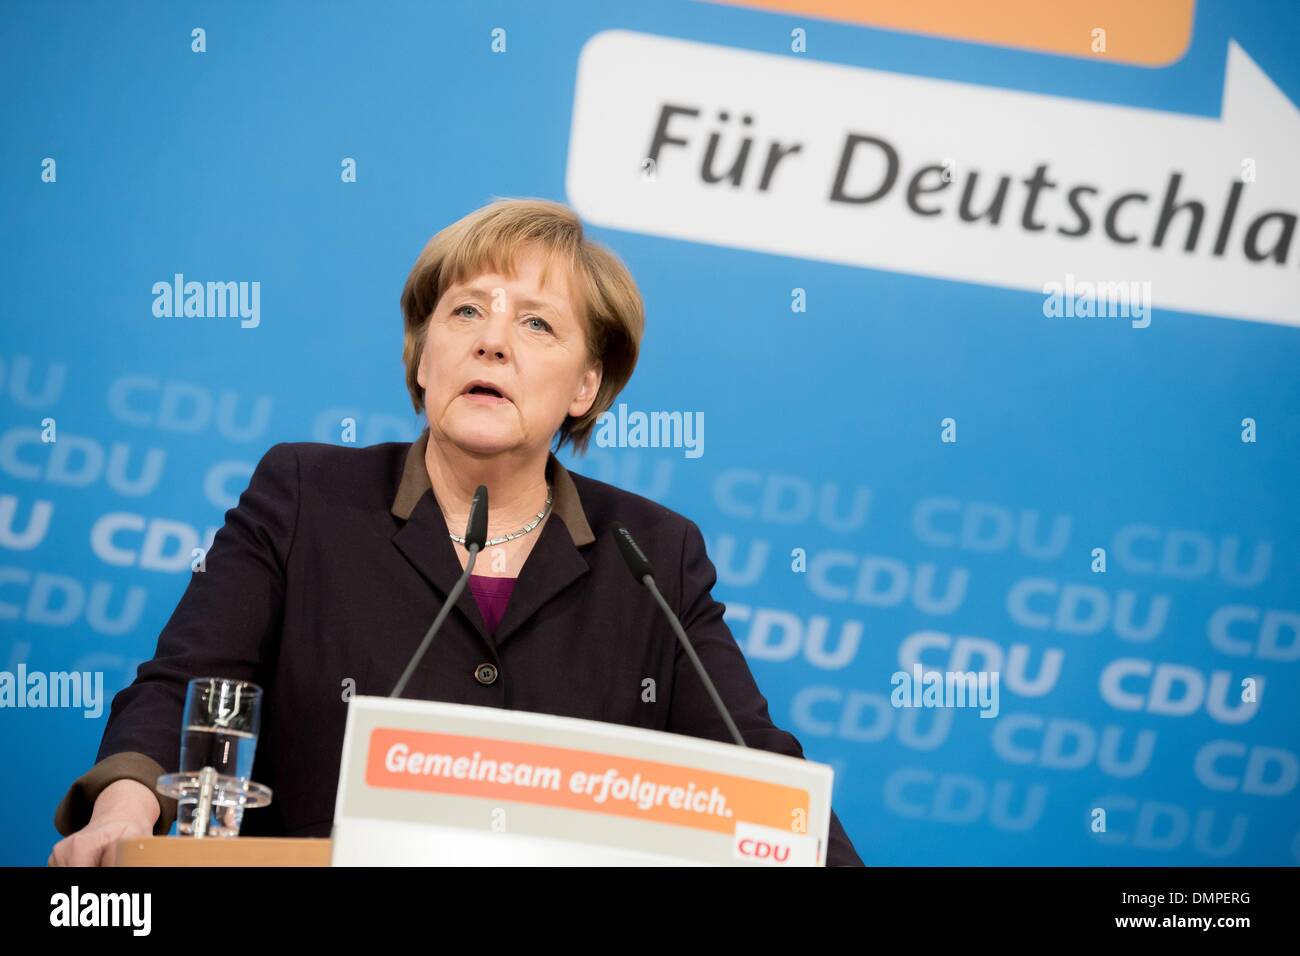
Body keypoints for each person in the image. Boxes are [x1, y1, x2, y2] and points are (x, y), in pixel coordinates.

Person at [49, 197, 864, 866]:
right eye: (465, 310)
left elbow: (760, 775)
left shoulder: (653, 554)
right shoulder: (306, 497)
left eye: (537, 325)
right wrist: (125, 808)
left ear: (585, 386)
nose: (492, 339)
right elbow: (183, 688)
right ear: (422, 358)